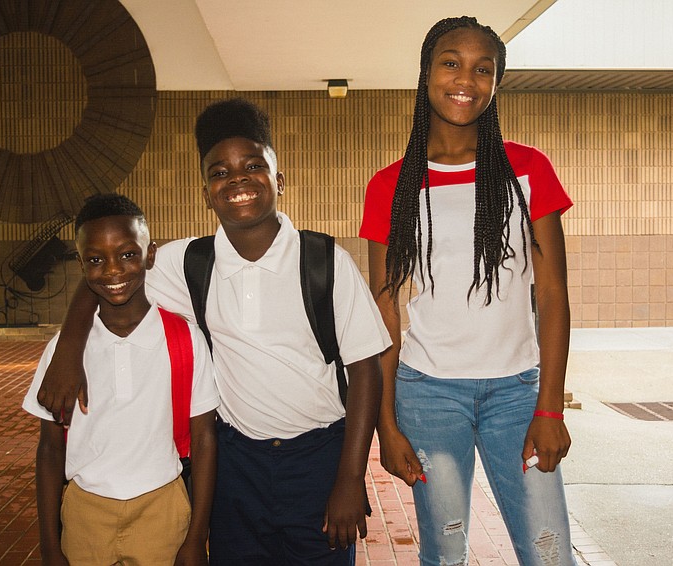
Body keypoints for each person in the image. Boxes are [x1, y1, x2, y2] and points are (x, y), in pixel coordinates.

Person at [36, 98, 392, 565]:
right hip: (235, 463)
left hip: (318, 457)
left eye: (253, 166)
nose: (238, 179)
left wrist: (350, 477)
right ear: (206, 192)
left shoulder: (324, 261)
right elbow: (106, 275)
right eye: (220, 172)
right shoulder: (188, 263)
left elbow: (365, 368)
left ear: (278, 179)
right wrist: (70, 349)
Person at [359, 16, 578, 566]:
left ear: (497, 84)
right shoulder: (391, 185)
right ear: (427, 72)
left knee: (549, 553)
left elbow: (551, 293)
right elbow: (384, 310)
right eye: (451, 62)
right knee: (446, 551)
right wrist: (387, 423)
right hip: (429, 395)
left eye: (484, 69)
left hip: (517, 393)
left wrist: (549, 407)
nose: (467, 79)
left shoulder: (527, 171)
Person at [22, 193, 220, 566]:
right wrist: (50, 546)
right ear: (81, 265)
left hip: (162, 507)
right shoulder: (63, 353)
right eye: (96, 260)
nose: (113, 271)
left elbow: (205, 438)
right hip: (85, 511)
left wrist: (197, 539)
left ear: (150, 254)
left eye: (128, 254)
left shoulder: (184, 339)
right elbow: (49, 448)